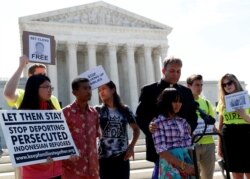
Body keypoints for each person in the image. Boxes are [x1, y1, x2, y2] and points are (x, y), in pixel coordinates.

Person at [136, 56, 198, 179]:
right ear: (164, 71)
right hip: (161, 147)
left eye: (178, 71)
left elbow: (192, 116)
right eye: (172, 71)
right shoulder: (149, 90)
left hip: (182, 148)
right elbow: (140, 115)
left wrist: (190, 127)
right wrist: (149, 126)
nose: (176, 74)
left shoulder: (186, 92)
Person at [18, 74, 61, 179]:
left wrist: (69, 152)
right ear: (34, 88)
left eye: (51, 87)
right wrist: (38, 158)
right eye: (46, 87)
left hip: (58, 170)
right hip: (34, 173)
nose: (50, 90)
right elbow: (21, 145)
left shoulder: (54, 111)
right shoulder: (23, 114)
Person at [96, 81, 140, 179]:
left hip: (122, 157)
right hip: (104, 157)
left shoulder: (125, 110)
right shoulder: (97, 110)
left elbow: (136, 130)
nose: (101, 92)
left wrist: (131, 146)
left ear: (113, 90)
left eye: (103, 89)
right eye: (99, 90)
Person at [152, 88, 195, 178]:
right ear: (166, 102)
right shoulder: (158, 123)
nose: (178, 104)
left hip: (186, 162)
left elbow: (188, 145)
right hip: (170, 165)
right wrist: (183, 166)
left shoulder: (182, 121)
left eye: (180, 102)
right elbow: (162, 151)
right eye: (174, 101)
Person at [62, 77, 100, 179]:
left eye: (89, 88)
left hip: (92, 170)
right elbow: (61, 140)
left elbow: (96, 137)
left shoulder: (94, 113)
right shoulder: (65, 113)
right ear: (75, 92)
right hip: (73, 169)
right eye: (84, 88)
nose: (88, 91)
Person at [217, 73, 250, 179]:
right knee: (236, 173)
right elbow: (221, 125)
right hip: (229, 136)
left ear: (235, 82)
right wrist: (219, 146)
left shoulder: (247, 98)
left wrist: (243, 115)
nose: (227, 86)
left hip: (246, 134)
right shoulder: (222, 101)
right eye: (224, 85)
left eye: (229, 82)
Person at [186, 74, 216, 179]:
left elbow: (212, 124)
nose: (200, 88)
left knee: (208, 176)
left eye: (201, 85)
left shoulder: (206, 103)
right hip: (192, 144)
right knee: (194, 176)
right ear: (189, 86)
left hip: (209, 144)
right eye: (197, 85)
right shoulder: (184, 103)